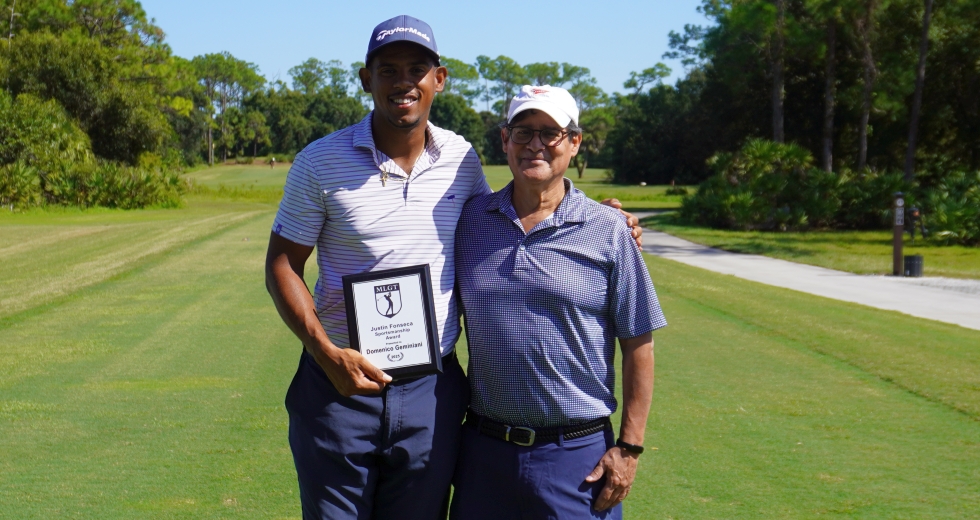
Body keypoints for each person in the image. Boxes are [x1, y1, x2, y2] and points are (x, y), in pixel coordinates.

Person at [265, 15, 643, 520]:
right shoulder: (319, 161)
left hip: (432, 390)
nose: (404, 82)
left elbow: (514, 213)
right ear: (365, 79)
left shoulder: (459, 159)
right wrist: (324, 351)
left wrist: (601, 218)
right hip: (338, 384)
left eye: (417, 69)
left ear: (437, 80)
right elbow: (282, 264)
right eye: (388, 69)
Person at [450, 85, 667, 519]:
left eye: (550, 133)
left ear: (574, 142)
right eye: (522, 131)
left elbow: (638, 344)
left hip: (577, 457)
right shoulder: (470, 221)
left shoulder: (608, 229)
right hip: (483, 454)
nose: (535, 145)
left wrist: (630, 447)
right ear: (504, 139)